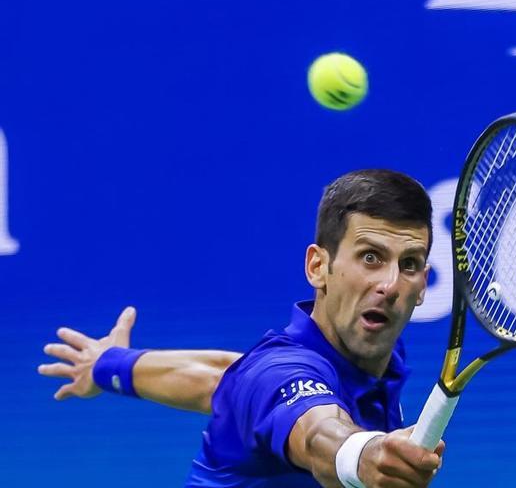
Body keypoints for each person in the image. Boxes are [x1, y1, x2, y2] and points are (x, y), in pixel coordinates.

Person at [38, 169, 445, 488]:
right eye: (370, 257)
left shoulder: (367, 360)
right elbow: (318, 432)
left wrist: (111, 366)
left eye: (408, 264)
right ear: (318, 267)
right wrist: (363, 454)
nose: (390, 284)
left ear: (423, 283)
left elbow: (220, 379)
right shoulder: (278, 374)